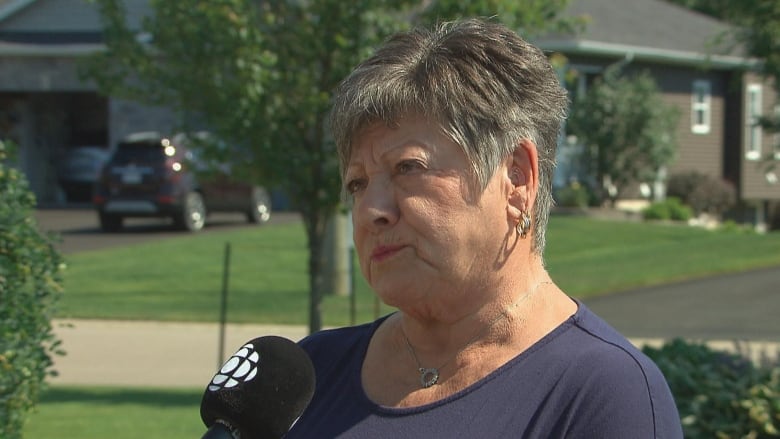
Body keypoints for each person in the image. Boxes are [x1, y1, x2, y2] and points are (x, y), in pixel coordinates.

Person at [286, 18, 683, 438]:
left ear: (516, 179)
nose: (371, 210)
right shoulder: (304, 378)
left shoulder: (604, 394)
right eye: (357, 183)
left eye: (408, 168)